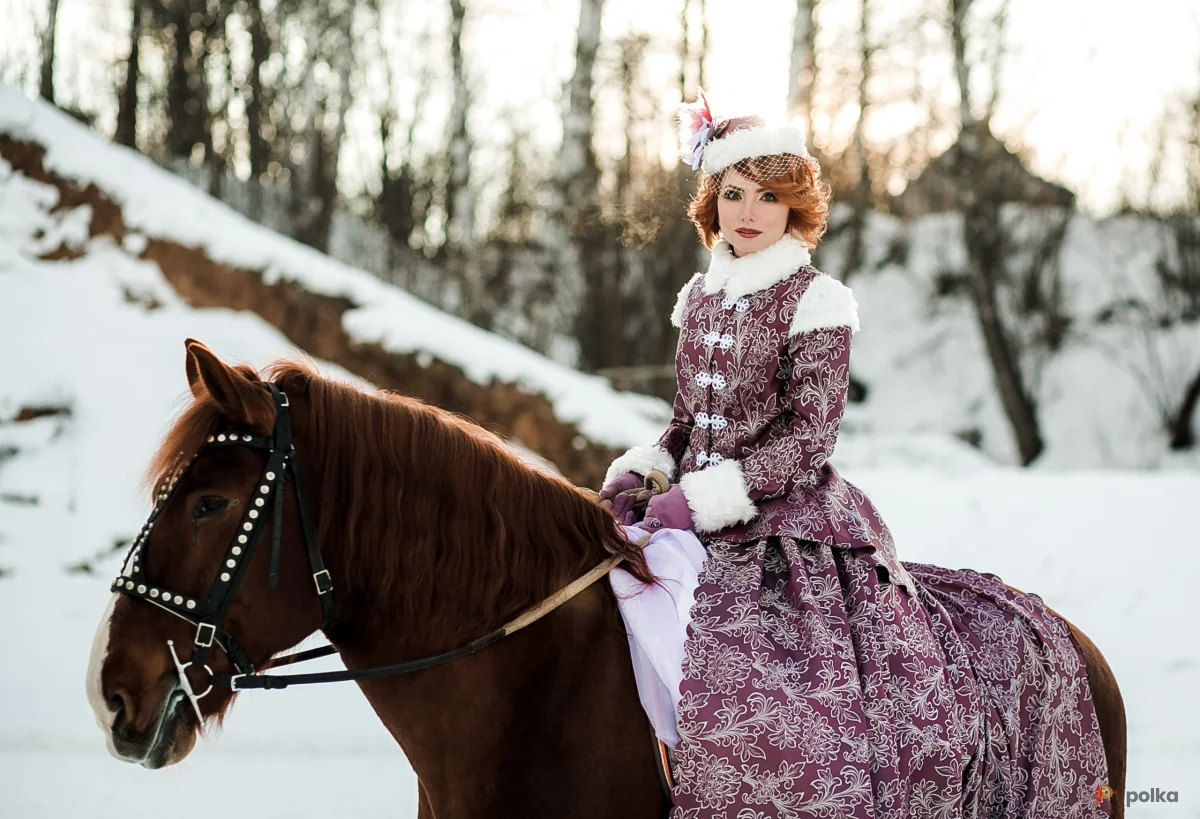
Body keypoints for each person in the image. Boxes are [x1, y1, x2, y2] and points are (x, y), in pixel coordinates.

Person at [598, 95, 1111, 818]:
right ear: (712, 202)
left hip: (782, 517)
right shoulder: (700, 298)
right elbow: (686, 420)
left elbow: (809, 439)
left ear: (793, 204)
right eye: (734, 193)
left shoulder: (816, 300)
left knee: (782, 694)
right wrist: (647, 469)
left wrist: (706, 497)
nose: (748, 211)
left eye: (768, 195)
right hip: (689, 506)